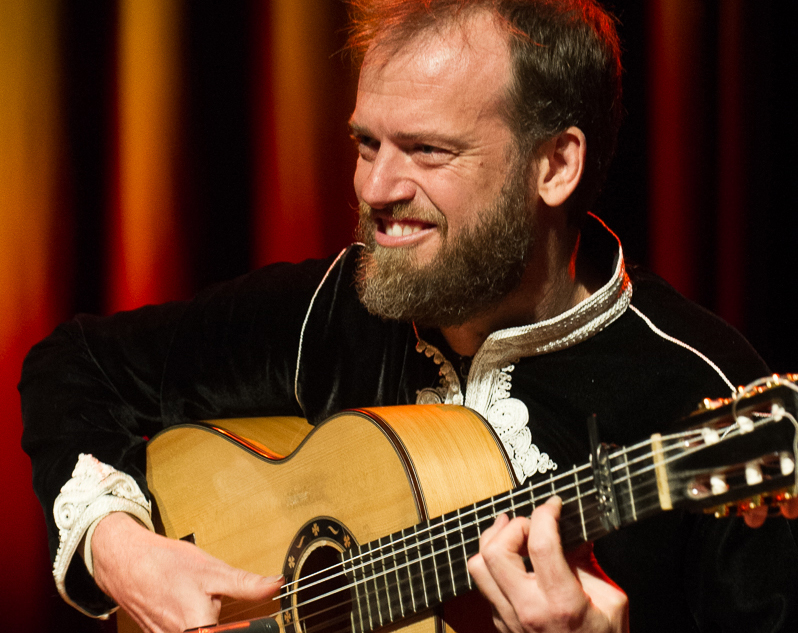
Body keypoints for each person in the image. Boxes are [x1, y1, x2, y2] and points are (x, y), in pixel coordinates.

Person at [19, 1, 798, 632]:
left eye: (426, 150)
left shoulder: (701, 392)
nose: (374, 187)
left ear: (555, 165)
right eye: (366, 142)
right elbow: (74, 363)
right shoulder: (334, 304)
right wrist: (120, 552)